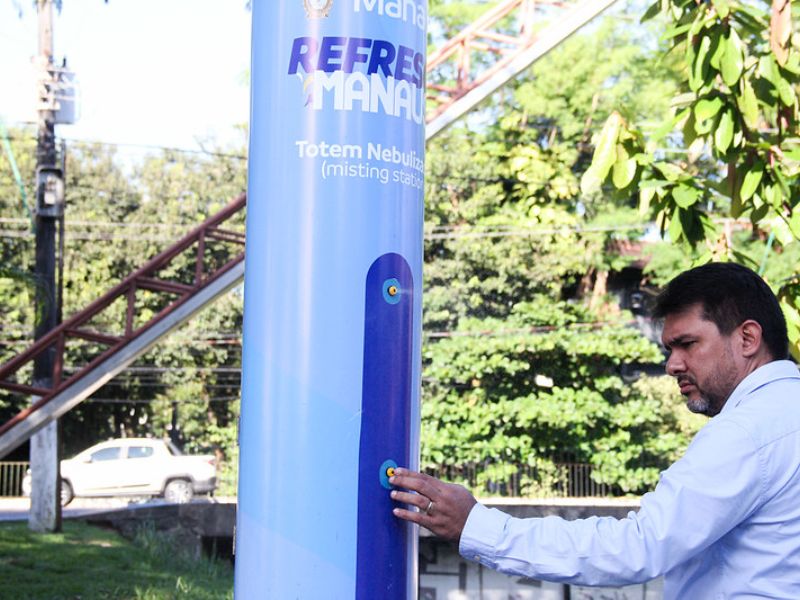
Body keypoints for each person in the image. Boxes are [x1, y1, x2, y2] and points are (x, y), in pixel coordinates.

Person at [391, 262, 800, 598]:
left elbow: (639, 546)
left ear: (747, 337)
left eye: (687, 344)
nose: (671, 365)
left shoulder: (749, 432)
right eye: (668, 349)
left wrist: (476, 525)